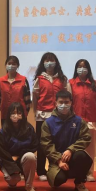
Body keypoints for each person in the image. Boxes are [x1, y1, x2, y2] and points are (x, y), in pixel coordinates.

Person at [41, 90, 93, 191]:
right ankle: (64, 173)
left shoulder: (79, 121)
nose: (63, 105)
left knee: (82, 156)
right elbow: (46, 145)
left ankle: (79, 182)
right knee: (57, 181)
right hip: (56, 161)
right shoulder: (48, 123)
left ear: (71, 103)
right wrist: (59, 160)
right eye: (61, 102)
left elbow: (86, 138)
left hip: (73, 157)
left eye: (66, 102)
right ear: (56, 103)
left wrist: (71, 149)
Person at [67, 59, 96, 182]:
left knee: (90, 148)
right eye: (79, 66)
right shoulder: (70, 83)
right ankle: (76, 172)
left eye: (84, 66)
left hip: (91, 121)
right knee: (75, 148)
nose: (82, 68)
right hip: (75, 122)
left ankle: (89, 173)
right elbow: (67, 103)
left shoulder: (95, 84)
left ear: (88, 69)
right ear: (76, 68)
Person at [32, 52, 67, 181]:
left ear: (56, 62)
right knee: (42, 144)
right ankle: (41, 170)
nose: (49, 63)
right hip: (42, 115)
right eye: (46, 61)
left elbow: (67, 97)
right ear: (43, 63)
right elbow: (35, 97)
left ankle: (54, 168)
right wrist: (36, 112)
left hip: (57, 116)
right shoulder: (39, 79)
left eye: (52, 60)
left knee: (56, 144)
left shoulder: (62, 79)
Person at [0, 102, 38, 191]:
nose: (16, 115)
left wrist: (19, 156)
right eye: (13, 113)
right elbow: (2, 151)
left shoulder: (29, 128)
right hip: (8, 160)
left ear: (23, 114)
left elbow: (34, 145)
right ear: (9, 115)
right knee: (13, 180)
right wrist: (13, 165)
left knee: (31, 156)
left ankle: (29, 186)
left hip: (23, 158)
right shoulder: (3, 131)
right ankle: (15, 178)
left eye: (18, 113)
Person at [0, 55, 31, 126]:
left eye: (14, 64)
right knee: (6, 132)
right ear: (6, 65)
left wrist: (25, 112)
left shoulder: (23, 80)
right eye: (9, 63)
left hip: (20, 114)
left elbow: (27, 99)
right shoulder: (0, 81)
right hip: (5, 114)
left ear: (17, 66)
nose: (11, 65)